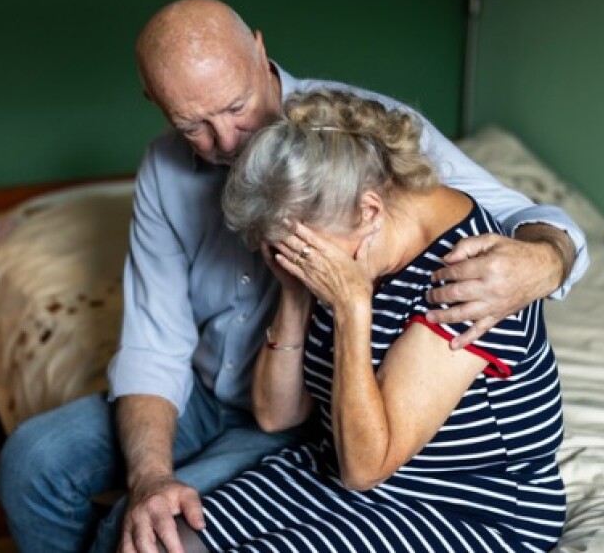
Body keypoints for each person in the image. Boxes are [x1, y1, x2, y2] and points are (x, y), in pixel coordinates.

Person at [0, 0, 587, 553]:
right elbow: (155, 344)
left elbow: (514, 216)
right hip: (253, 400)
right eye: (192, 125)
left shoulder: (370, 149)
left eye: (234, 108)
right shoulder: (204, 194)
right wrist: (151, 475)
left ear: (259, 51)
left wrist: (544, 259)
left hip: (376, 460)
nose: (225, 143)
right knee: (37, 464)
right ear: (153, 100)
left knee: (142, 535)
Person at [164, 88, 567, 553]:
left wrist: (354, 308)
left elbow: (368, 467)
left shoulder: (469, 275)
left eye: (304, 251)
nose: (299, 261)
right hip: (337, 468)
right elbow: (277, 416)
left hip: (466, 508)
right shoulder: (340, 236)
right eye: (286, 252)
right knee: (165, 540)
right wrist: (294, 295)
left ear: (370, 211)